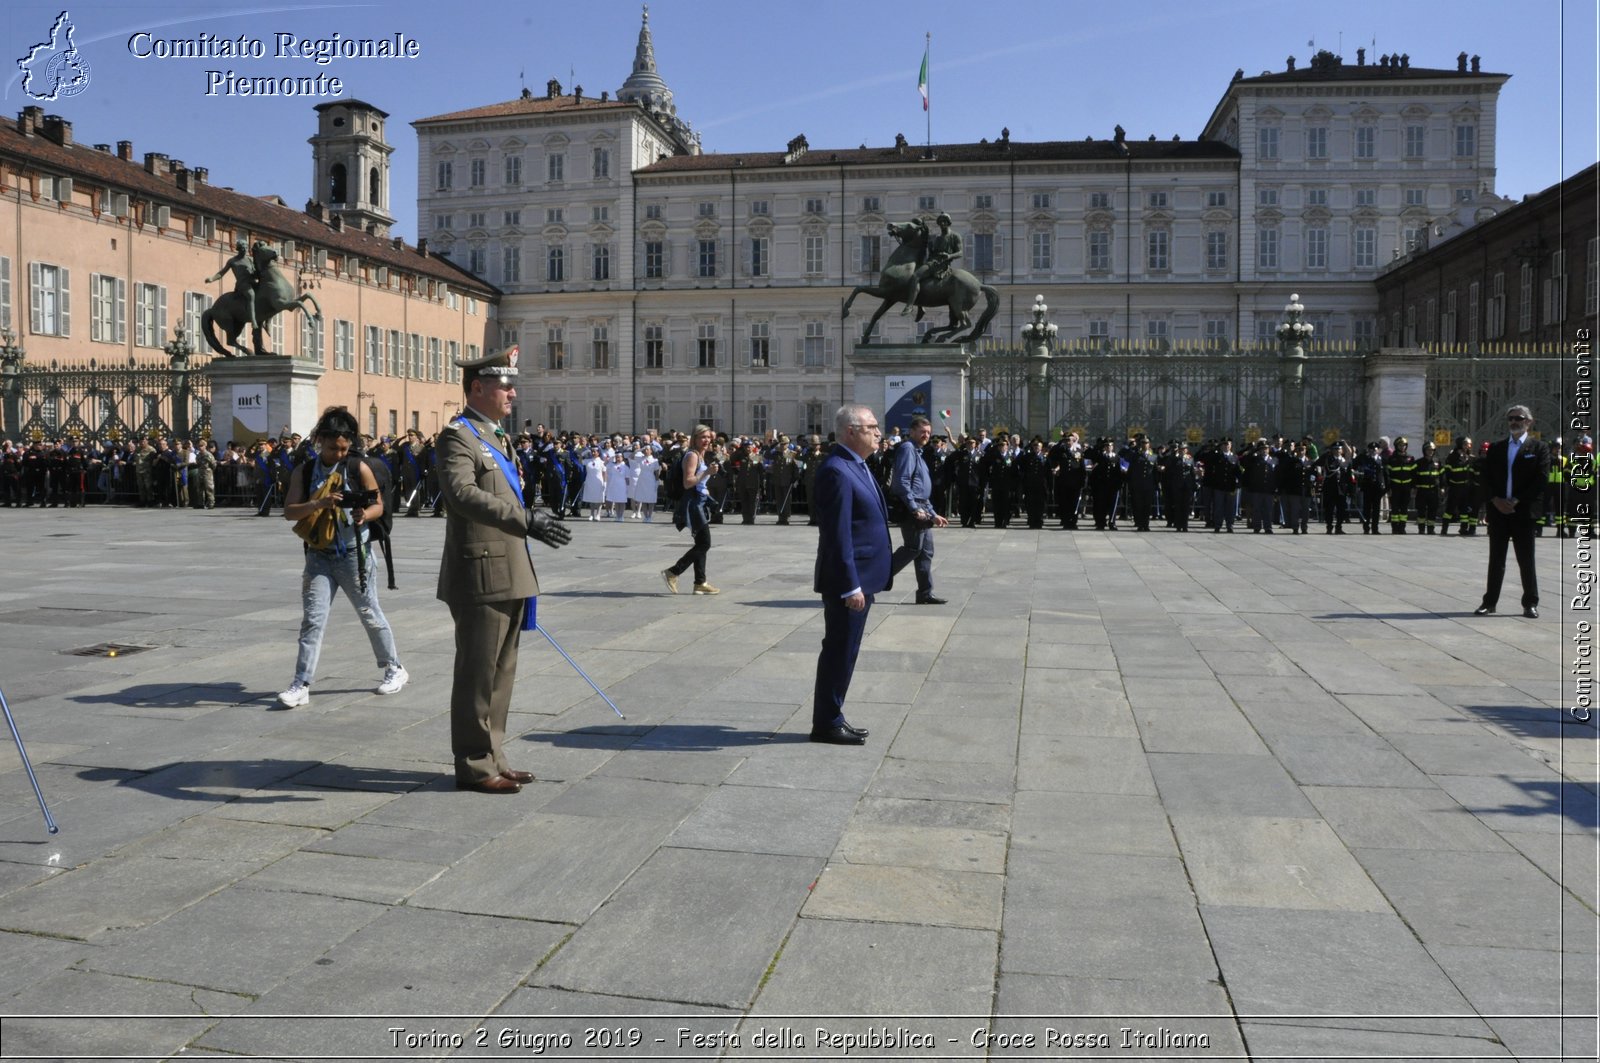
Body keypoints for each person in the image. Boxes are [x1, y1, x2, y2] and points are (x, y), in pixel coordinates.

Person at [437, 346, 572, 794]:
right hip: (481, 572)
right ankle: (474, 765)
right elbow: (461, 494)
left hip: (508, 569)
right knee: (477, 673)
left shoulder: (495, 436)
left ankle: (494, 753)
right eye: (505, 386)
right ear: (478, 388)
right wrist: (525, 520)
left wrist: (528, 515)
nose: (513, 394)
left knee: (501, 674)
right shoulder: (459, 436)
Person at [276, 407, 407, 710]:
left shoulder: (357, 468)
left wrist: (364, 514)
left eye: (344, 448)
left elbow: (378, 506)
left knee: (369, 613)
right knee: (312, 620)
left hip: (353, 556)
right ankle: (301, 683)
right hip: (319, 556)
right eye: (333, 447)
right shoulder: (305, 471)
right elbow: (289, 512)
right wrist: (319, 502)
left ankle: (394, 668)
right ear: (320, 440)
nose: (339, 454)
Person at [810, 405, 892, 745]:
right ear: (850, 432)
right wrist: (850, 586)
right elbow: (838, 535)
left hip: (863, 575)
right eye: (871, 426)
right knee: (840, 650)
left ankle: (833, 715)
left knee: (847, 649)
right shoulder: (837, 470)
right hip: (850, 580)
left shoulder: (857, 465)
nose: (878, 432)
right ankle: (827, 721)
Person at [1475, 405, 1550, 619]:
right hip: (1499, 511)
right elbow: (1485, 478)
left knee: (1526, 559)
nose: (1514, 422)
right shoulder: (1497, 448)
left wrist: (1516, 500)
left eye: (1519, 418)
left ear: (1529, 421)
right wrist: (1495, 500)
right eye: (1511, 419)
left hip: (1523, 511)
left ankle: (1530, 603)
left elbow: (1541, 480)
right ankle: (1489, 602)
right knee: (1496, 559)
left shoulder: (1539, 448)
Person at [888, 415, 949, 605]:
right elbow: (902, 482)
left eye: (929, 432)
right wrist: (915, 509)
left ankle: (925, 593)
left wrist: (933, 514)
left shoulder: (919, 452)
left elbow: (922, 489)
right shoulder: (908, 449)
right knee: (913, 548)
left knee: (926, 551)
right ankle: (874, 577)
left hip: (923, 506)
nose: (926, 435)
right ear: (912, 431)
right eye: (922, 432)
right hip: (912, 508)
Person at [662, 425, 720, 595]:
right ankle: (673, 572)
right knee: (705, 543)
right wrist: (707, 472)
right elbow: (688, 482)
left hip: (700, 501)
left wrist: (709, 472)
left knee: (701, 543)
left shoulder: (701, 455)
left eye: (709, 437)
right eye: (703, 437)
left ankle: (700, 582)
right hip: (693, 503)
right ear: (694, 438)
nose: (707, 440)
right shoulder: (692, 456)